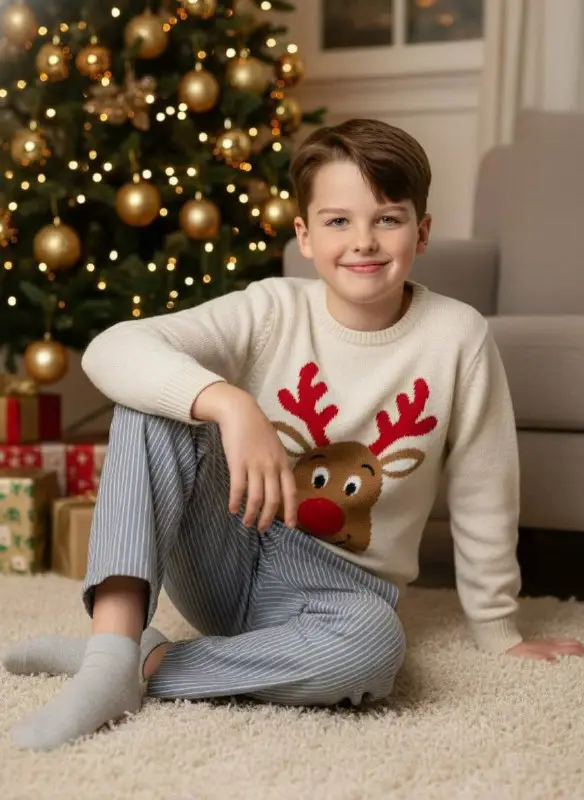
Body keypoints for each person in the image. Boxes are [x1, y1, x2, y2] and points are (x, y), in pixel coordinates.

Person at [4, 118, 583, 752]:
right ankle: (113, 647)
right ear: (304, 236)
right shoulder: (271, 309)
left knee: (375, 652)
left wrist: (499, 630)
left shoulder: (458, 336)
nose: (363, 241)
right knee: (154, 403)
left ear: (421, 231)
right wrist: (230, 404)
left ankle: (135, 665)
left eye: (387, 219)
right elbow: (112, 348)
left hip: (343, 593)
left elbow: (484, 486)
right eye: (338, 221)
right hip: (232, 545)